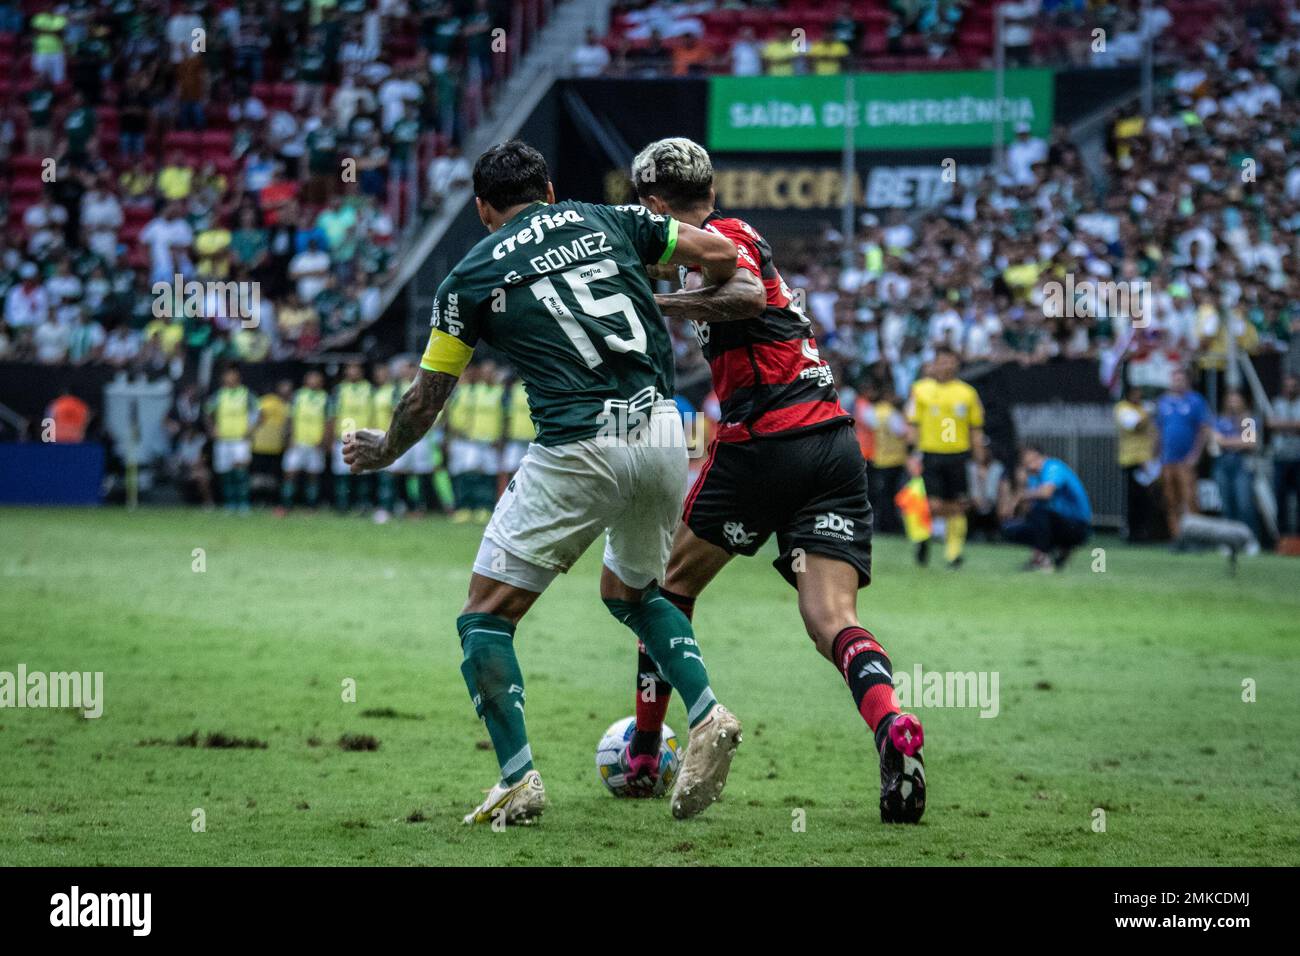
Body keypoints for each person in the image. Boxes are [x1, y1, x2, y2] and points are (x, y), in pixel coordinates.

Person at [342, 140, 744, 825]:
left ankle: (517, 778)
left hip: (578, 444)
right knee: (635, 592)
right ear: (550, 190)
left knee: (484, 616)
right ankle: (708, 713)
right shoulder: (611, 218)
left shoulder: (468, 279)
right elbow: (724, 258)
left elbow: (426, 398)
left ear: (482, 209)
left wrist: (384, 449)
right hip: (661, 434)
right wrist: (661, 293)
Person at [624, 136, 925, 824]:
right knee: (831, 621)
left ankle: (645, 748)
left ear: (655, 203)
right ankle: (890, 724)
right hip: (832, 443)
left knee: (664, 590)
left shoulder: (724, 239)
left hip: (767, 440)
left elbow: (747, 295)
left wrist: (662, 307)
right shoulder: (727, 236)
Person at [907, 345, 985, 569]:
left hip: (958, 455)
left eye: (950, 361)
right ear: (934, 364)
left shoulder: (967, 393)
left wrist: (979, 460)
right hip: (931, 454)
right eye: (941, 361)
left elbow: (976, 428)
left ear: (956, 364)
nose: (945, 365)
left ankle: (953, 554)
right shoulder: (920, 389)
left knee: (958, 504)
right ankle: (923, 538)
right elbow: (913, 424)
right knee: (933, 505)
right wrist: (912, 454)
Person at [1003, 445, 1093, 571]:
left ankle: (1044, 557)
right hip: (1054, 525)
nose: (1029, 465)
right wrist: (1021, 483)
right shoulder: (1033, 477)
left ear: (1042, 456)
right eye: (1026, 462)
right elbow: (1026, 512)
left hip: (1077, 526)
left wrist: (1020, 496)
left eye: (1032, 460)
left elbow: (1046, 493)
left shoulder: (1053, 467)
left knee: (1040, 512)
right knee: (1010, 529)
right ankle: (1056, 552)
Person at [1155, 367, 1212, 541]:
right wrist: (1155, 456)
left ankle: (1196, 537)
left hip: (1185, 459)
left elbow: (1203, 430)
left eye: (1180, 379)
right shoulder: (1163, 401)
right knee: (1171, 500)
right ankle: (1177, 538)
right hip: (1167, 459)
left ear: (1187, 381)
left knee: (1190, 499)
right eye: (1174, 379)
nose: (1177, 382)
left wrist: (1195, 455)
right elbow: (1158, 431)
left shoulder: (1196, 401)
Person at [205, 366, 259, 513]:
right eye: (226, 376)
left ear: (238, 378)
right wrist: (212, 429)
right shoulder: (219, 395)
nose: (229, 379)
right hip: (223, 439)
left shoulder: (246, 394)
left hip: (240, 440)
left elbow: (258, 414)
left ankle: (243, 503)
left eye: (232, 376)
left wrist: (251, 429)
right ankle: (229, 503)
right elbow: (207, 412)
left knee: (240, 471)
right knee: (225, 472)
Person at [1114, 385, 1162, 542]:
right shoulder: (1122, 408)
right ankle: (1133, 533)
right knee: (1134, 499)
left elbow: (1154, 432)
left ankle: (1148, 532)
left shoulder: (1142, 408)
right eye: (1135, 393)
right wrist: (1149, 411)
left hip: (1148, 460)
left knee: (1148, 499)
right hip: (1132, 460)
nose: (1138, 396)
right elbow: (1136, 425)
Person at [280, 370, 329, 511]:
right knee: (290, 473)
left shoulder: (325, 398)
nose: (313, 381)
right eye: (310, 378)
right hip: (297, 441)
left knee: (312, 475)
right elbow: (290, 418)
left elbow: (329, 422)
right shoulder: (298, 396)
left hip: (315, 443)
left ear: (321, 381)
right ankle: (286, 505)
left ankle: (311, 506)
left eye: (316, 378)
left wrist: (324, 440)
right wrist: (288, 437)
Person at [1212, 391, 1259, 536]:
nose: (1233, 404)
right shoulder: (1220, 419)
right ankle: (1229, 540)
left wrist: (1227, 442)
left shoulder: (1247, 420)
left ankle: (1250, 538)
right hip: (1223, 464)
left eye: (1236, 400)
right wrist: (1238, 442)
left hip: (1242, 465)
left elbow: (1250, 444)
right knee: (1226, 504)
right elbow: (1216, 441)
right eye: (1230, 400)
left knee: (1244, 503)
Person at [330, 362, 373, 512]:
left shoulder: (369, 389)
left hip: (364, 437)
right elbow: (333, 415)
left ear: (361, 371)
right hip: (343, 438)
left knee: (363, 472)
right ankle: (342, 505)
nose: (353, 372)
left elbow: (374, 414)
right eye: (350, 369)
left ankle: (362, 504)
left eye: (356, 368)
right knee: (342, 473)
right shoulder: (339, 390)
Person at [1268, 374, 1300, 537]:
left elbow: (1249, 441)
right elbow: (1270, 423)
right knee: (1279, 500)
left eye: (1293, 385)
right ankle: (1282, 539)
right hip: (1280, 458)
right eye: (1287, 385)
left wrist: (1280, 425)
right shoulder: (1275, 403)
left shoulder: (1247, 415)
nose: (1290, 388)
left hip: (1297, 458)